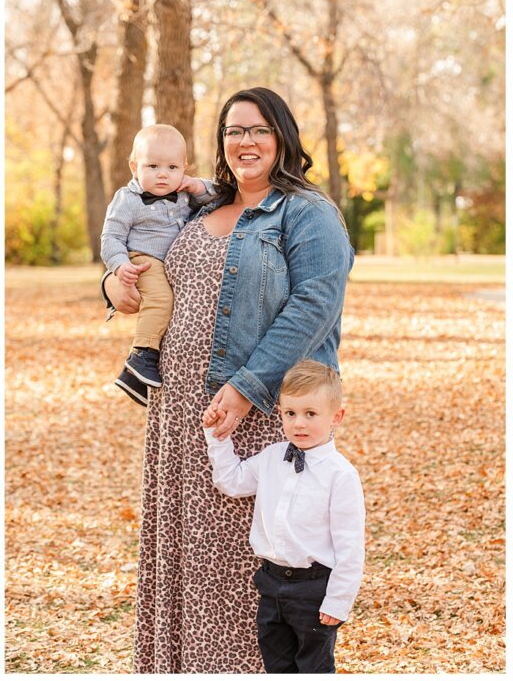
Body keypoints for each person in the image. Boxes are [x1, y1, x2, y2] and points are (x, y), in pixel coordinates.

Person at [102, 87, 354, 672]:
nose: (245, 141)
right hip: (178, 416)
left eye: (259, 129)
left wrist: (244, 390)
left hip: (258, 415)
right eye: (234, 130)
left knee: (246, 569)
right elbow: (147, 259)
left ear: (283, 137)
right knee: (185, 557)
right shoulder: (197, 204)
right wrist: (113, 289)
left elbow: (315, 304)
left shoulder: (307, 212)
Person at [204, 360, 365, 673]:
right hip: (271, 584)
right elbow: (232, 482)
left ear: (337, 417)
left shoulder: (341, 475)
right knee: (277, 666)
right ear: (280, 412)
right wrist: (217, 435)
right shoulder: (272, 457)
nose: (299, 424)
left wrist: (338, 601)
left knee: (314, 668)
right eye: (291, 413)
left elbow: (350, 547)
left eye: (310, 414)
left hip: (314, 589)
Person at [100, 124, 214, 400]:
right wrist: (119, 266)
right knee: (161, 299)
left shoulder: (186, 194)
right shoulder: (127, 199)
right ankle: (142, 354)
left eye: (173, 167)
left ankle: (135, 378)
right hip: (143, 261)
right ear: (133, 166)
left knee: (168, 304)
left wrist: (199, 186)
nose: (163, 174)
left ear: (184, 167)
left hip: (169, 268)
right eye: (152, 166)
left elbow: (221, 195)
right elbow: (110, 237)